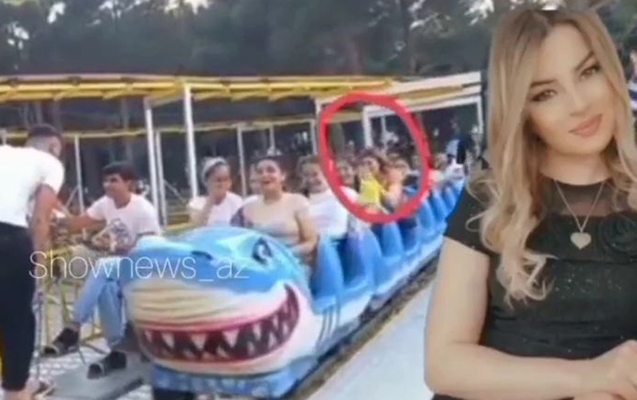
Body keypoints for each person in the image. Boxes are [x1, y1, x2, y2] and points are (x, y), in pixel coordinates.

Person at [425, 5, 637, 400]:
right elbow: (444, 363)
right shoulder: (490, 197)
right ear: (523, 111)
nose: (579, 104)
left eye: (588, 72)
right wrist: (589, 377)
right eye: (546, 94)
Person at [43, 162, 161, 377]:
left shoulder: (143, 209)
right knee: (105, 287)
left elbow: (147, 250)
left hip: (146, 267)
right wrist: (52, 215)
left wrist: (113, 247)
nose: (108, 185)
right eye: (105, 181)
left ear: (129, 184)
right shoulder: (105, 203)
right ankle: (117, 350)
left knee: (103, 265)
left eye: (114, 180)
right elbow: (76, 224)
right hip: (120, 268)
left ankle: (73, 327)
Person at [0, 124, 63, 400]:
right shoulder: (50, 163)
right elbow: (40, 218)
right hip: (7, 237)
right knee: (17, 319)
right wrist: (37, 261)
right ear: (54, 146)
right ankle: (16, 391)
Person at [231, 156, 318, 270]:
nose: (264, 175)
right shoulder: (249, 207)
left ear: (283, 176)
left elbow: (311, 241)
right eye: (260, 172)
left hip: (292, 264)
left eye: (270, 170)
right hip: (261, 266)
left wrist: (284, 255)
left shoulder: (298, 201)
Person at [298, 155, 361, 239]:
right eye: (306, 175)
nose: (310, 180)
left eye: (315, 174)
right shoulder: (298, 201)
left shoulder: (347, 194)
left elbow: (358, 226)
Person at [188, 158, 243, 227]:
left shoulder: (237, 201)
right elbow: (198, 225)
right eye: (218, 180)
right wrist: (211, 200)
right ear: (207, 181)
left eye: (226, 179)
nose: (222, 184)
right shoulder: (196, 203)